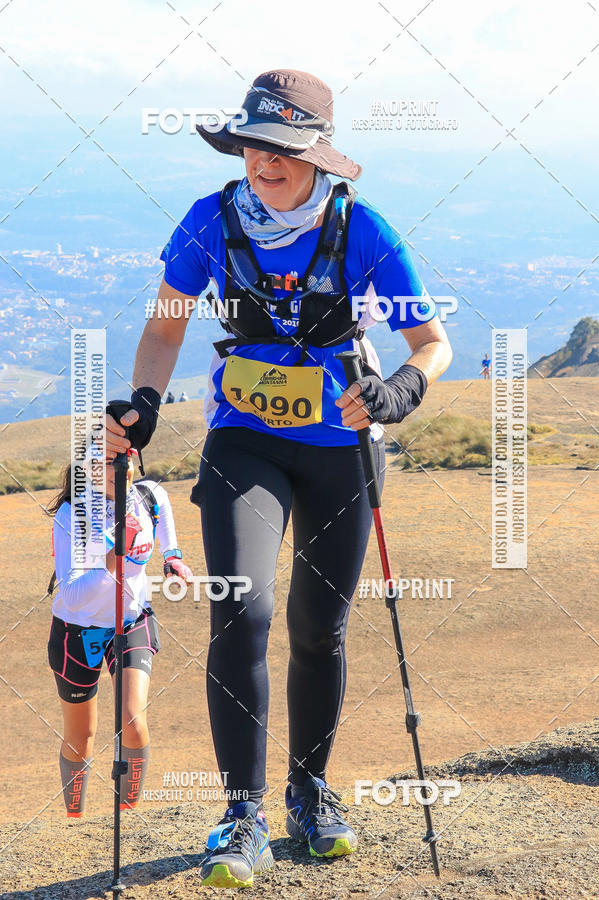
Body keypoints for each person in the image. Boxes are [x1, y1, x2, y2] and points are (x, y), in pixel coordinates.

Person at [105, 69, 452, 889]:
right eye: (254, 146)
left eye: (282, 152)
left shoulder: (362, 230)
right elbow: (165, 326)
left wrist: (403, 389)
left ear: (317, 155)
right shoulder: (210, 222)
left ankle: (309, 792)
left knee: (318, 627)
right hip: (244, 443)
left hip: (341, 449)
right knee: (242, 610)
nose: (263, 164)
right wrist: (145, 405)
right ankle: (241, 814)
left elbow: (429, 341)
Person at [47, 448, 193, 818]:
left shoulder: (150, 496)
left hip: (130, 622)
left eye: (123, 457)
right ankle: (74, 820)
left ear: (134, 458)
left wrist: (173, 557)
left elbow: (165, 531)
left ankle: (129, 814)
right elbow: (73, 594)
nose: (116, 468)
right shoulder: (72, 514)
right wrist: (115, 557)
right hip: (76, 632)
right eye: (104, 462)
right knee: (81, 739)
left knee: (133, 720)